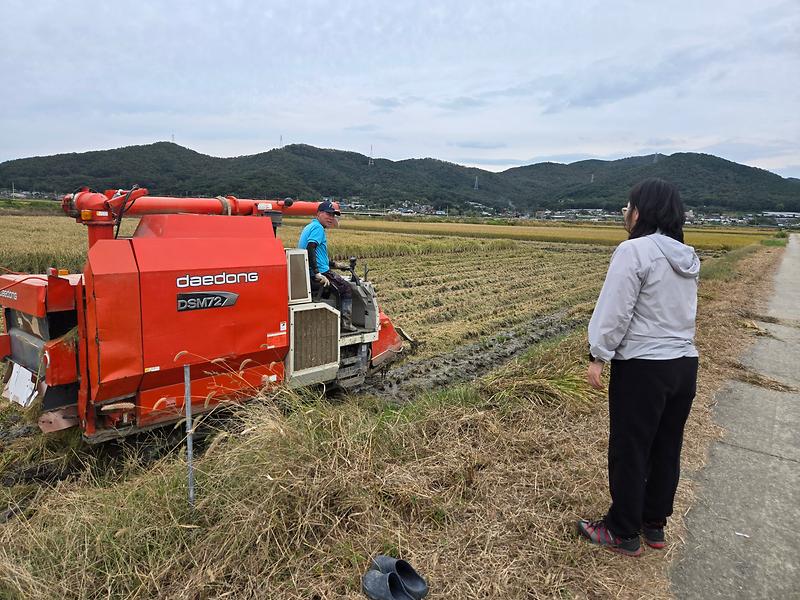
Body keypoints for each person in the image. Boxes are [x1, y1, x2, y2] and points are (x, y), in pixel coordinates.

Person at [577, 178, 700, 557]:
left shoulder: (635, 251)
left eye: (627, 206)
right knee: (666, 447)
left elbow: (615, 309)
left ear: (640, 211)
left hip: (645, 366)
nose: (625, 214)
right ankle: (654, 524)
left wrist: (599, 354)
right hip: (684, 365)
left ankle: (622, 530)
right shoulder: (686, 255)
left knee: (631, 447)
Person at [298, 200, 356, 332]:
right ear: (318, 213)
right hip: (318, 273)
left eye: (333, 215)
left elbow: (317, 255)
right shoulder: (318, 228)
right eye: (328, 214)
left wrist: (335, 264)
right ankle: (346, 324)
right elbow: (310, 248)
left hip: (309, 270)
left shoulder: (310, 226)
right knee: (346, 288)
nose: (331, 218)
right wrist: (318, 273)